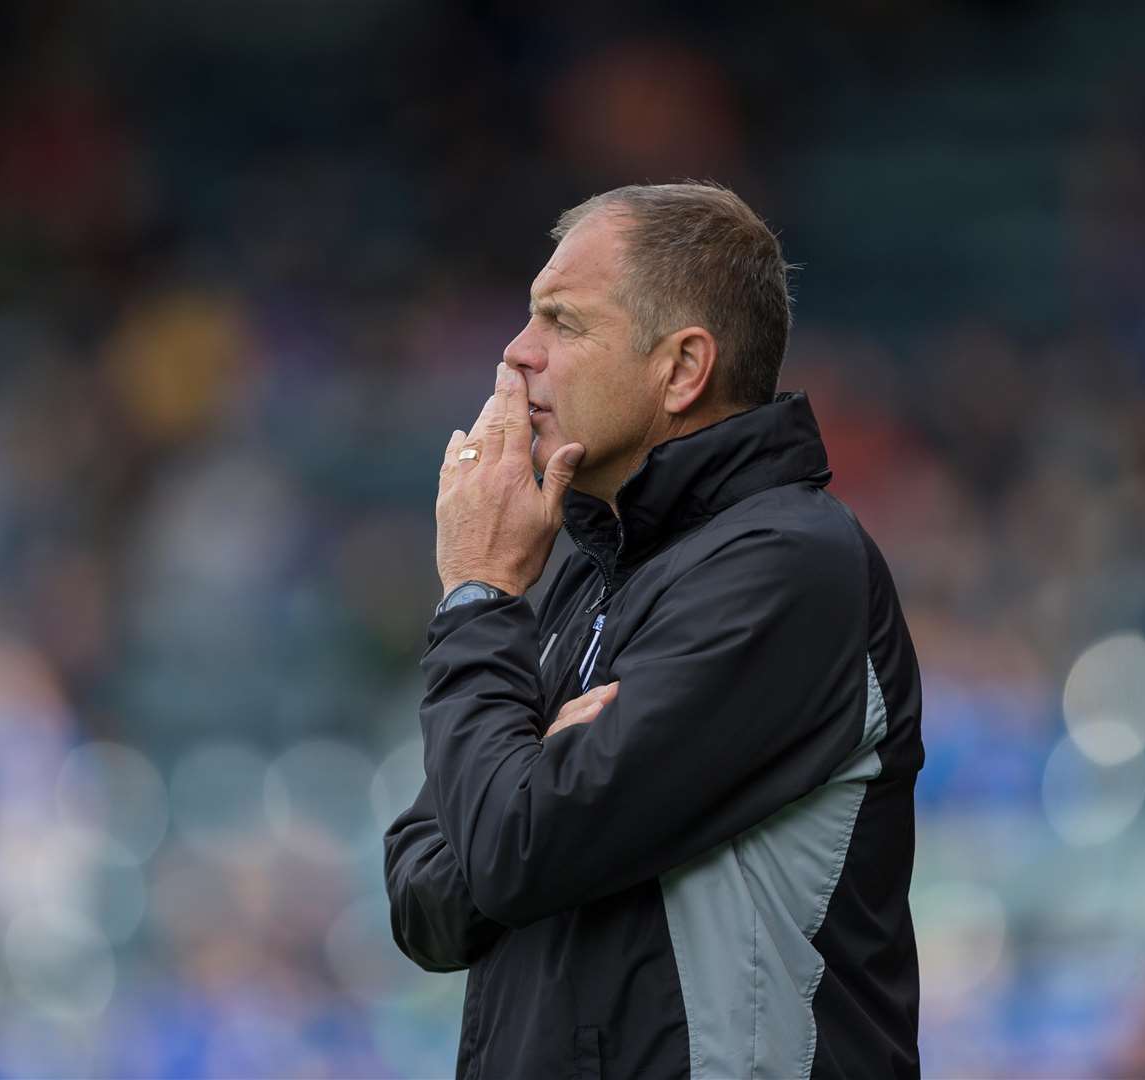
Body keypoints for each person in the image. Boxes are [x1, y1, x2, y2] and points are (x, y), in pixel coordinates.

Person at [383, 182, 924, 1080]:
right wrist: (526, 790)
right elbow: (423, 900)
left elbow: (511, 850)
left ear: (681, 368)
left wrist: (477, 594)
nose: (516, 355)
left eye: (562, 322)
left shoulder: (789, 567)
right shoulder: (576, 575)